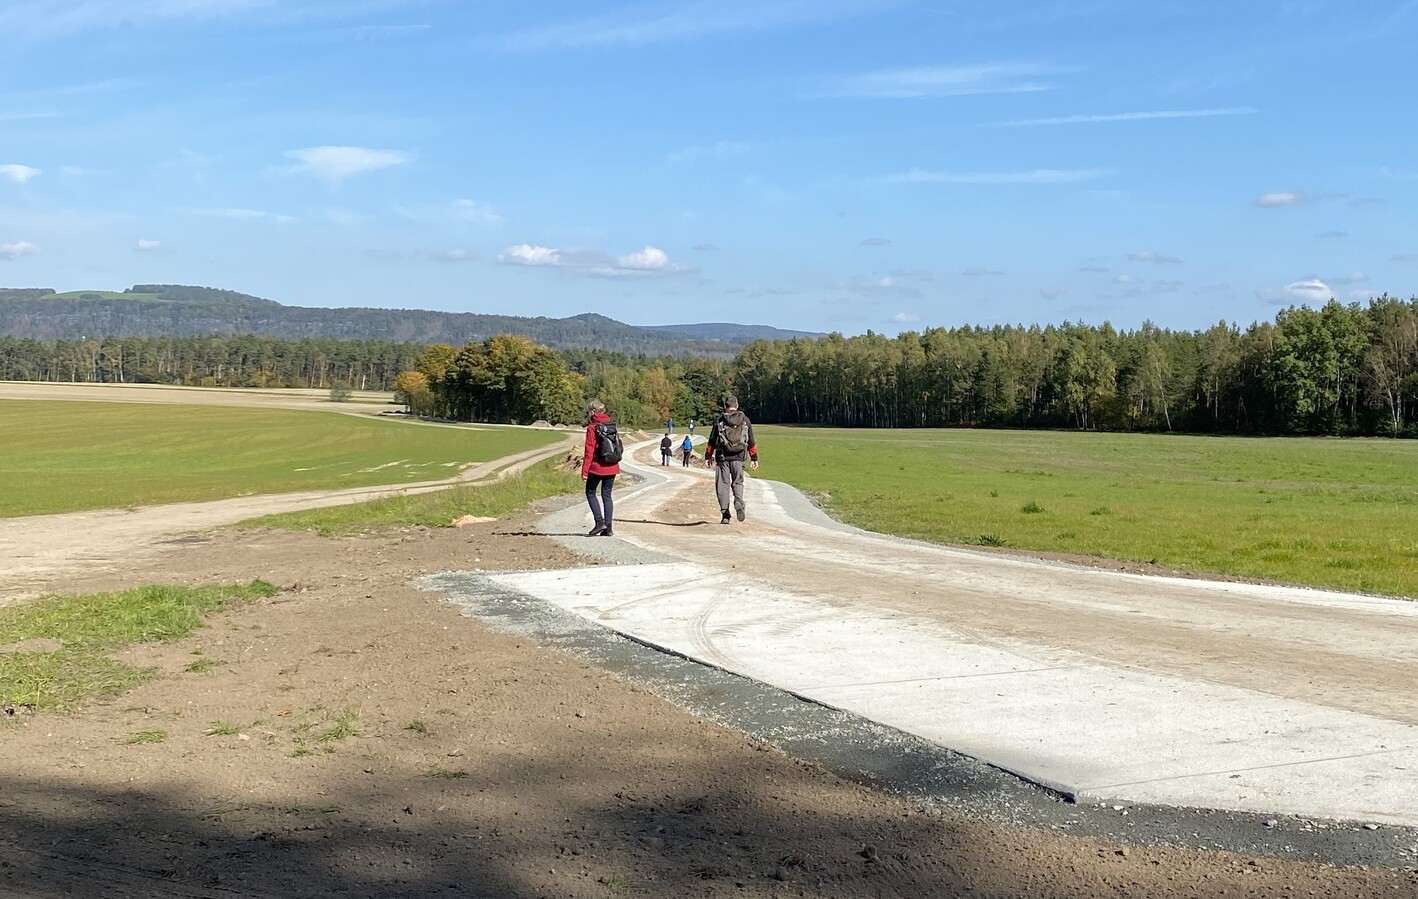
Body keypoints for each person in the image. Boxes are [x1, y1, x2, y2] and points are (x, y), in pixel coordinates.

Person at [704, 395, 758, 524]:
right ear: (737, 406)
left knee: (722, 485)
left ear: (725, 407)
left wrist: (708, 456)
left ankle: (725, 515)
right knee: (737, 482)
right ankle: (738, 501)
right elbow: (751, 440)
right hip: (739, 457)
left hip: (722, 458)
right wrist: (754, 458)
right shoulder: (745, 420)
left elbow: (712, 440)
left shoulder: (719, 420)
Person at [581, 399, 621, 537]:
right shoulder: (611, 425)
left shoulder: (592, 427)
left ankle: (599, 522)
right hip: (612, 465)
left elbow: (589, 450)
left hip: (597, 466)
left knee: (590, 492)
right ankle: (608, 528)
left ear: (592, 412)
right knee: (607, 495)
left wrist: (585, 471)